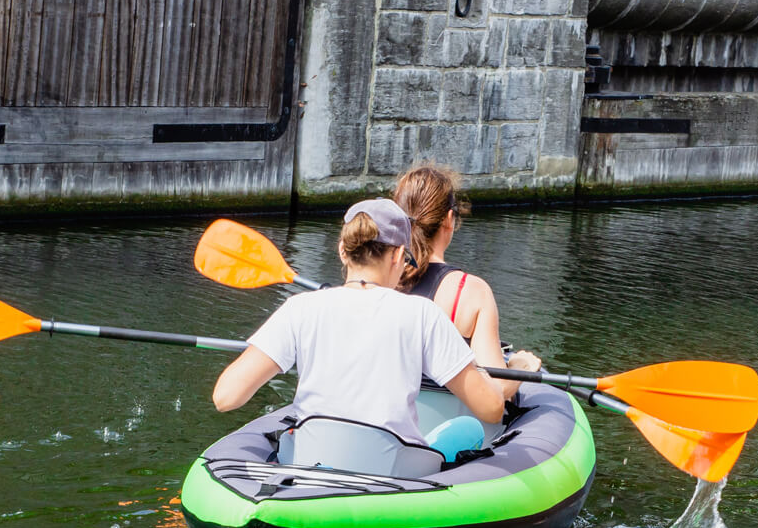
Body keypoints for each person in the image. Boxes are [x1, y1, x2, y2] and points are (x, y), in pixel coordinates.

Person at [212, 198, 505, 457]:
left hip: (310, 466)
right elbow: (491, 408)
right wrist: (512, 368)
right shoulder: (422, 315)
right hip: (394, 478)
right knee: (467, 428)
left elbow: (225, 397)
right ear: (397, 255)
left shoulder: (299, 308)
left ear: (342, 251)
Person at [394, 165, 541, 399]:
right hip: (448, 428)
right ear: (449, 220)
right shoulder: (470, 291)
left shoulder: (378, 278)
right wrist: (522, 368)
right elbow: (498, 390)